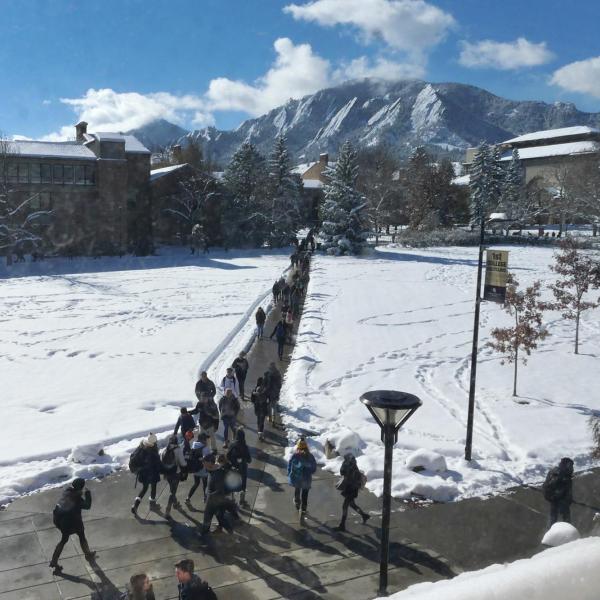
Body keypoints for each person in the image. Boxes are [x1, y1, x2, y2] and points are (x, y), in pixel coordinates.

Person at [49, 478, 96, 573]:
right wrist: (87, 494)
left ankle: (54, 560)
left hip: (59, 520)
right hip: (71, 522)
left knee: (64, 539)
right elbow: (87, 506)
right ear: (81, 488)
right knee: (81, 535)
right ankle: (88, 554)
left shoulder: (67, 491)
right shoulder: (77, 499)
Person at [201, 454, 239, 535]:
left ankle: (204, 535)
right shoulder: (212, 470)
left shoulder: (218, 474)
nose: (203, 464)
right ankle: (228, 531)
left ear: (210, 463)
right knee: (219, 517)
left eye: (204, 462)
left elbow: (220, 490)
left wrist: (210, 496)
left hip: (215, 500)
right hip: (214, 499)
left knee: (209, 516)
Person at [333, 454, 370, 531]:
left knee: (345, 506)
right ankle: (364, 515)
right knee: (352, 504)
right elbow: (344, 473)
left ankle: (342, 525)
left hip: (351, 490)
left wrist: (344, 464)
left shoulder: (349, 467)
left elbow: (342, 473)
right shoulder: (353, 466)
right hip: (352, 490)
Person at [131, 433, 162, 514]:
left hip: (143, 474)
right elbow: (157, 463)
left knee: (144, 489)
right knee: (153, 488)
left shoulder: (141, 447)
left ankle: (135, 505)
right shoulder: (152, 450)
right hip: (152, 473)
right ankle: (152, 505)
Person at [287, 438, 317, 519]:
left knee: (297, 490)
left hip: (297, 478)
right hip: (306, 480)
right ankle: (303, 509)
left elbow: (289, 465)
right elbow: (314, 469)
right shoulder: (310, 456)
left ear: (298, 447)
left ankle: (297, 502)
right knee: (305, 494)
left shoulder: (295, 456)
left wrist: (289, 473)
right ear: (306, 447)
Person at [161, 434, 188, 518]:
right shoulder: (178, 450)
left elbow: (162, 461)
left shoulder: (164, 450)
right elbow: (183, 463)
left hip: (167, 474)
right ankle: (167, 511)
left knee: (172, 489)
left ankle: (175, 504)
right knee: (173, 492)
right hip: (175, 474)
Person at [543, 457, 574, 525]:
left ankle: (551, 533)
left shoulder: (554, 471)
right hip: (560, 501)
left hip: (554, 500)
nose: (572, 468)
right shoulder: (563, 474)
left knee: (553, 519)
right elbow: (564, 489)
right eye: (571, 465)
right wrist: (566, 498)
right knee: (566, 521)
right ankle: (567, 533)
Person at [186, 433, 213, 505]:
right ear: (203, 439)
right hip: (203, 470)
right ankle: (205, 498)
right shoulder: (206, 448)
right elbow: (208, 459)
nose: (207, 440)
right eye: (206, 439)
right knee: (205, 485)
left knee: (196, 484)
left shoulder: (194, 445)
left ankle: (188, 498)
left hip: (195, 469)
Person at [227, 428, 252, 507]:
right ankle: (242, 500)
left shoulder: (232, 445)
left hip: (233, 468)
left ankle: (232, 500)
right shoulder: (245, 446)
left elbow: (227, 456)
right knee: (243, 485)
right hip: (243, 468)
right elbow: (249, 459)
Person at [251, 377, 269, 441]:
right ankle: (260, 433)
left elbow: (252, 399)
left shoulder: (255, 389)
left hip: (257, 407)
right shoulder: (265, 389)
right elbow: (268, 398)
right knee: (262, 421)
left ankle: (259, 431)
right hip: (263, 407)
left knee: (259, 420)